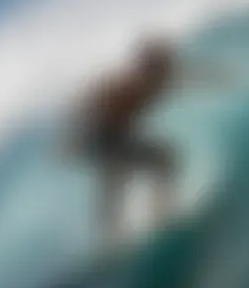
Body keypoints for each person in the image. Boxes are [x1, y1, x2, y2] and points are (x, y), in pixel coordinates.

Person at [67, 36, 221, 248]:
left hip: (120, 136)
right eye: (161, 63)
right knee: (128, 173)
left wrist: (218, 77)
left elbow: (190, 77)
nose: (167, 66)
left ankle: (155, 215)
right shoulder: (127, 83)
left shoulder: (162, 79)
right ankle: (116, 235)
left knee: (159, 162)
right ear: (147, 65)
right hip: (102, 137)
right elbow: (91, 99)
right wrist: (73, 138)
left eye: (166, 62)